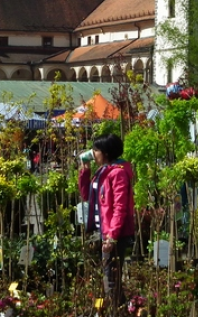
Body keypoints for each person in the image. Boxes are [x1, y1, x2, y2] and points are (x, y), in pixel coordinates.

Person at [77, 134, 135, 312]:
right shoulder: (103, 171)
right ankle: (122, 311)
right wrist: (85, 171)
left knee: (110, 278)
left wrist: (112, 237)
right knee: (110, 277)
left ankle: (119, 312)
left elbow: (120, 207)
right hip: (105, 230)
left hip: (115, 233)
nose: (93, 153)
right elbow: (88, 196)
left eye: (96, 150)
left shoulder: (117, 173)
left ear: (106, 153)